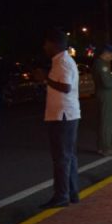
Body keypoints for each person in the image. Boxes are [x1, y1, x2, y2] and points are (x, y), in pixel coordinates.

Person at [39, 29, 81, 209]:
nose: (44, 47)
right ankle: (71, 193)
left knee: (61, 157)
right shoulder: (62, 60)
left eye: (46, 43)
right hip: (65, 115)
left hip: (62, 116)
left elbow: (65, 86)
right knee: (67, 155)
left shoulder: (62, 61)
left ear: (54, 44)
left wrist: (45, 79)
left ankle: (62, 196)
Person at [92, 45, 112, 156]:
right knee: (106, 122)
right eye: (111, 55)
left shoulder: (98, 63)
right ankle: (106, 147)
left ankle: (100, 147)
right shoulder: (102, 65)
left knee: (101, 120)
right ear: (106, 53)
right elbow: (107, 83)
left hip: (100, 94)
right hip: (105, 95)